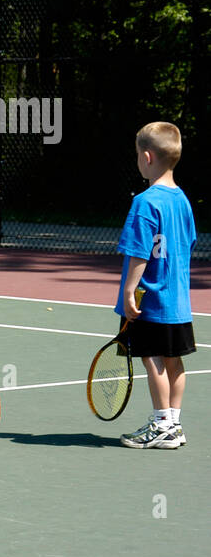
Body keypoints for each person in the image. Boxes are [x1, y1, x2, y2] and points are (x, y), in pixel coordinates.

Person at [116, 121, 196, 449]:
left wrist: (128, 293)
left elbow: (138, 253)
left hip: (151, 299)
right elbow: (188, 244)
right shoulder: (183, 201)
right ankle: (173, 424)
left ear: (147, 157)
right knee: (175, 360)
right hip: (178, 302)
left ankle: (162, 423)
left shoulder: (145, 202)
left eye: (137, 155)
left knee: (153, 359)